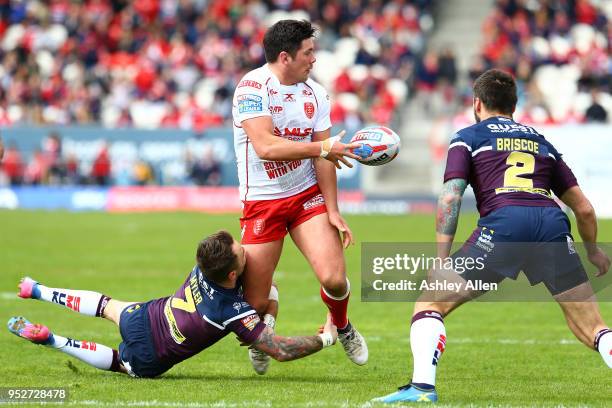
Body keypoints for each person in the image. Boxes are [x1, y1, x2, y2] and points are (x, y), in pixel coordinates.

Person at [374, 69, 611, 403]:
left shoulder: (468, 137)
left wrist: (441, 260)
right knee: (592, 328)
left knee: (430, 303)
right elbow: (584, 209)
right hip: (551, 224)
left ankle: (422, 388)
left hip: (504, 226)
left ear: (477, 103)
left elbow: (451, 197)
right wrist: (594, 252)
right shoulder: (542, 143)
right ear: (514, 106)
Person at [7, 231, 338, 378]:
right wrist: (326, 339)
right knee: (119, 363)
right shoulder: (231, 312)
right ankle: (55, 341)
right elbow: (279, 350)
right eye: (241, 249)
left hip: (143, 315)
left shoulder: (204, 265)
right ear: (234, 272)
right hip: (152, 354)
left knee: (107, 305)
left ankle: (39, 290)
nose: (244, 248)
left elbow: (245, 284)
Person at [231, 19, 368, 375]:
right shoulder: (251, 88)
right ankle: (268, 316)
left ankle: (341, 325)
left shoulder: (316, 94)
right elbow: (265, 147)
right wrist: (323, 147)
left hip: (306, 197)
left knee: (335, 279)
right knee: (255, 303)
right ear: (285, 57)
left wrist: (333, 210)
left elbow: (325, 157)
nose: (314, 59)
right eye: (308, 53)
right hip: (262, 201)